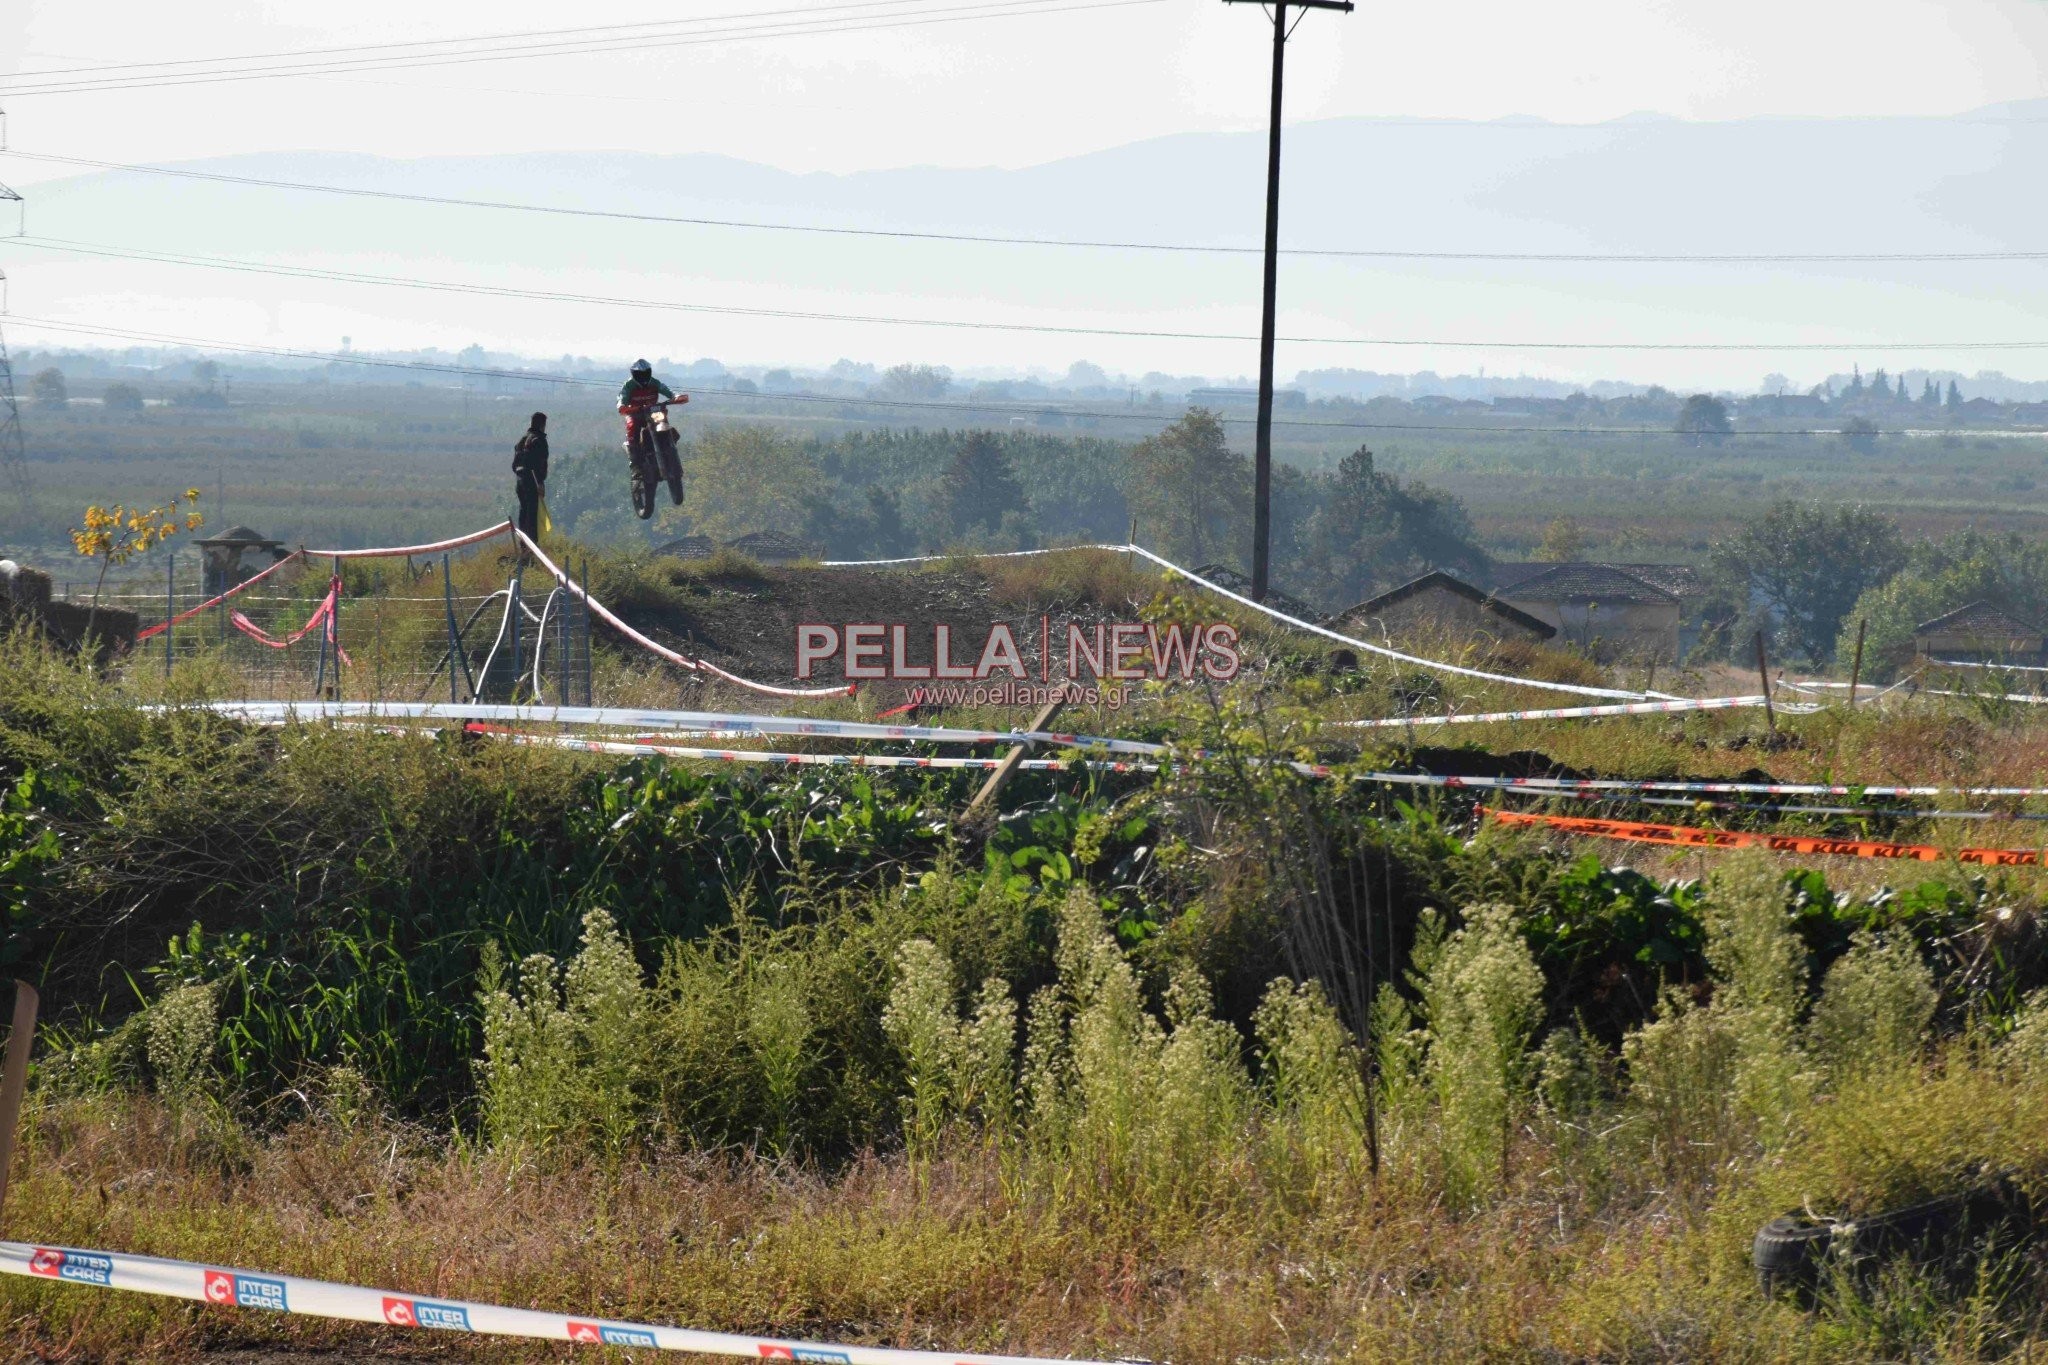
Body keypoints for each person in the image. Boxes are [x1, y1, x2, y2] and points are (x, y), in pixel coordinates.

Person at [616, 358, 685, 461]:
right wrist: (622, 406)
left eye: (645, 373)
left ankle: (669, 449)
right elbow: (622, 398)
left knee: (667, 426)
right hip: (635, 413)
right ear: (634, 374)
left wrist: (676, 396)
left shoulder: (654, 382)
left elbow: (668, 391)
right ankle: (636, 466)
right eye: (640, 374)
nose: (643, 376)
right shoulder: (628, 385)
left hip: (653, 412)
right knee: (632, 428)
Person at [512, 411, 549, 539]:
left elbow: (514, 465)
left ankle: (524, 544)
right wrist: (540, 483)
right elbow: (540, 465)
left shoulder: (522, 440)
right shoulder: (539, 440)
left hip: (520, 481)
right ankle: (532, 545)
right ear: (542, 425)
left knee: (523, 513)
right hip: (532, 481)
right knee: (532, 515)